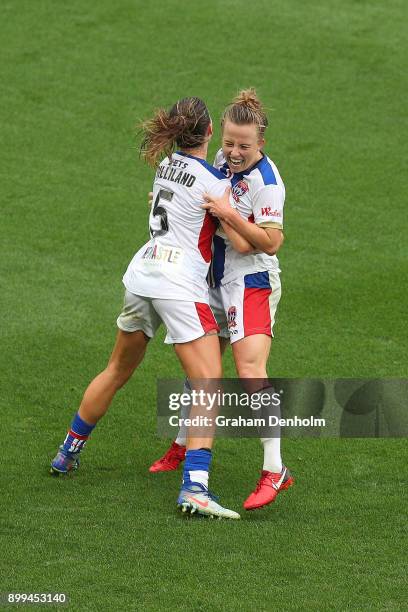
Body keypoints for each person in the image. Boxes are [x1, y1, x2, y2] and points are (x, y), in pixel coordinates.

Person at [50, 97, 241, 519]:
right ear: (209, 133)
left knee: (116, 369)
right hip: (179, 283)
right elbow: (238, 240)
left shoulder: (164, 166)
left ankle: (67, 452)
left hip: (142, 272)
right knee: (208, 381)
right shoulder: (215, 183)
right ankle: (195, 486)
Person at [150, 89, 294, 511]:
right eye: (228, 142)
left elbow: (270, 243)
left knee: (250, 372)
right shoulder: (218, 163)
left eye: (243, 146)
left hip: (251, 283)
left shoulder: (267, 183)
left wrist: (228, 216)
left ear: (261, 143)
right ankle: (182, 446)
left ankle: (274, 469)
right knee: (203, 367)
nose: (232, 152)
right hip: (213, 279)